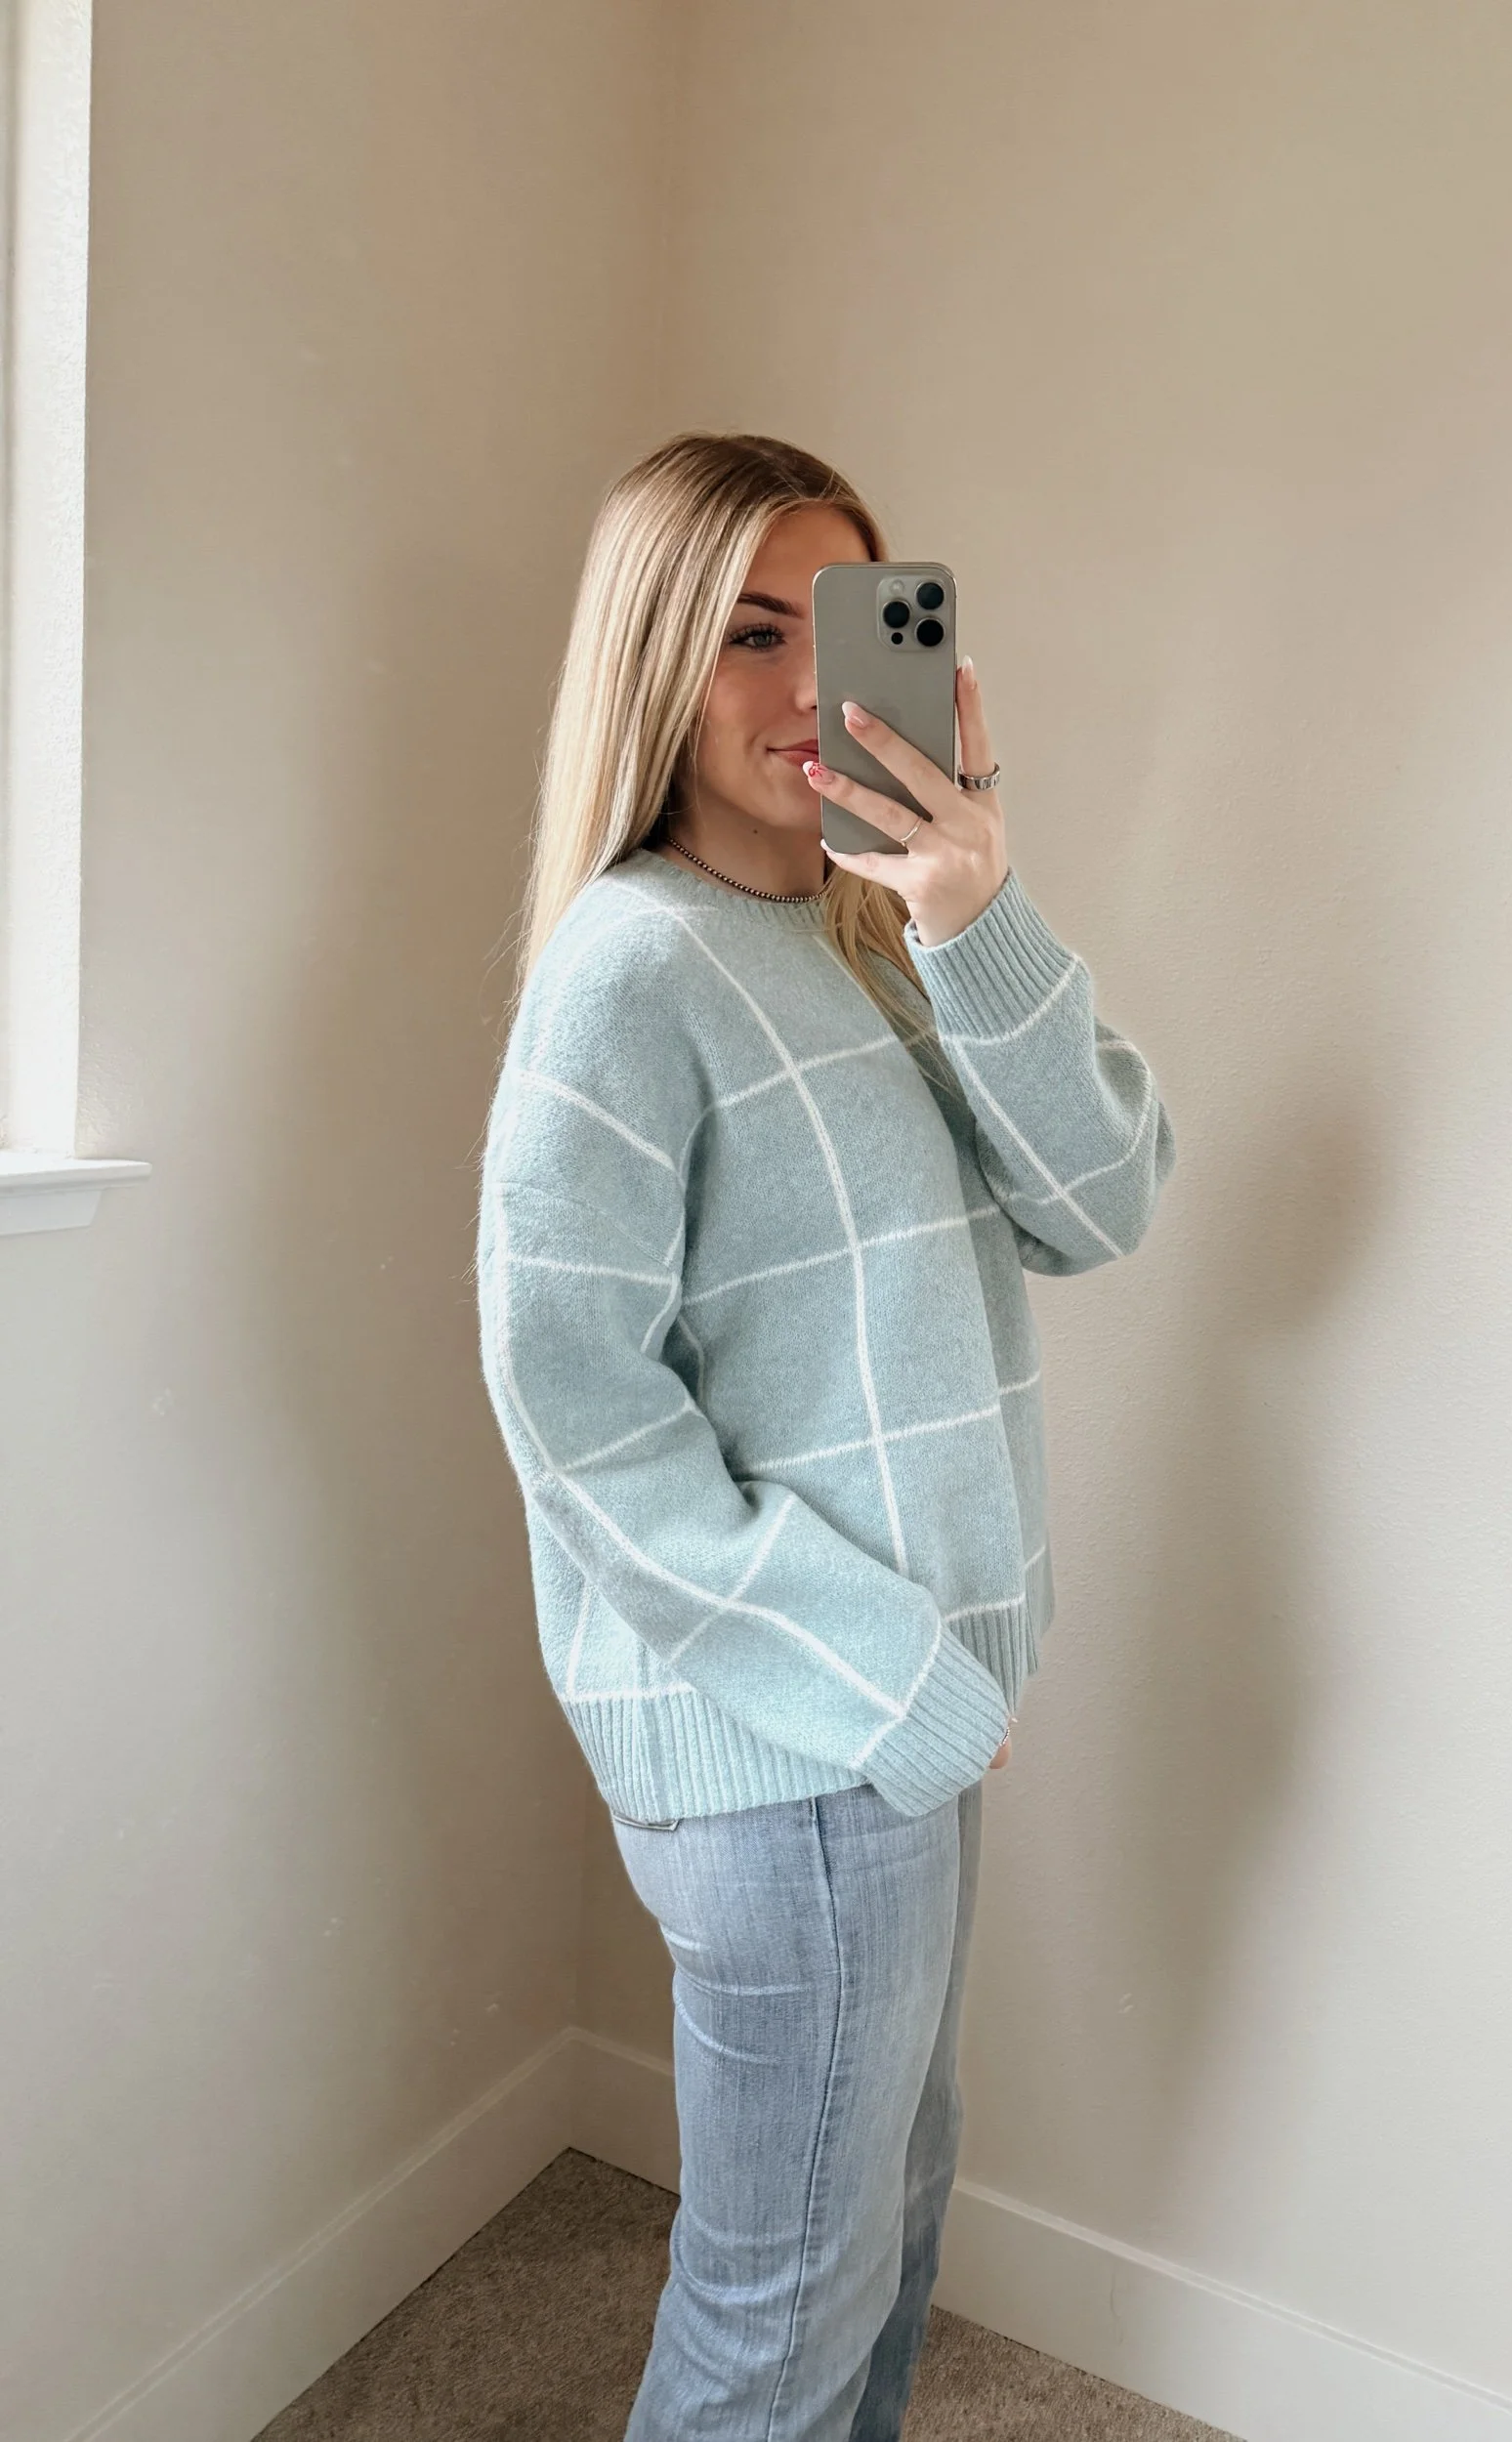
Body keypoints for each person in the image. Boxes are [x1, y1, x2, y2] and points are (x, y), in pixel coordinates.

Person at [476, 432, 1175, 2441]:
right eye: (747, 634)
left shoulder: (884, 946)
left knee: (891, 2220)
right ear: (655, 664)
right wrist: (889, 1678)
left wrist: (974, 906)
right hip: (792, 1732)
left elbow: (1100, 1206)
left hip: (907, 1715)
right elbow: (581, 1420)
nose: (806, 689)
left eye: (847, 626)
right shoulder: (630, 969)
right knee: (780, 2304)